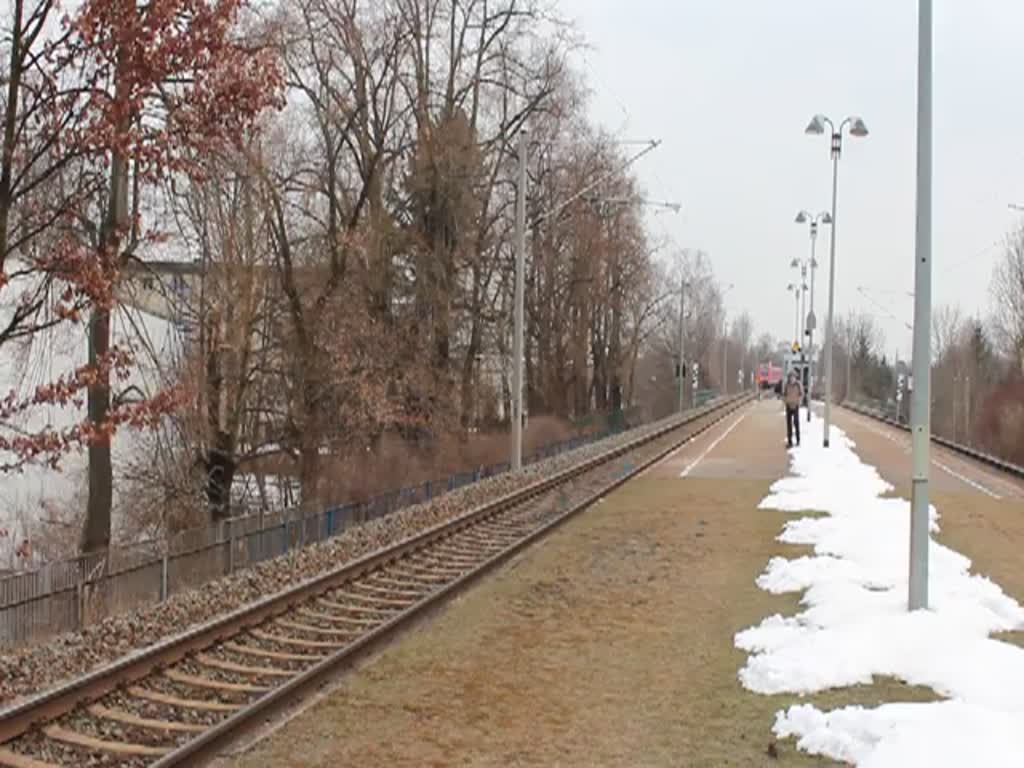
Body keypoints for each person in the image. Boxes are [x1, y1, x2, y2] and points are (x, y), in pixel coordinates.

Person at [784, 371, 803, 447]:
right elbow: (784, 394)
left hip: (796, 406)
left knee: (796, 422)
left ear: (795, 378)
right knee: (789, 424)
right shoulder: (787, 385)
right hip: (788, 406)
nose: (792, 379)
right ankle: (790, 441)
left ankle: (798, 440)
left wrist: (799, 402)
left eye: (793, 377)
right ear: (789, 378)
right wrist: (785, 401)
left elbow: (801, 394)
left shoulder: (798, 385)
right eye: (791, 377)